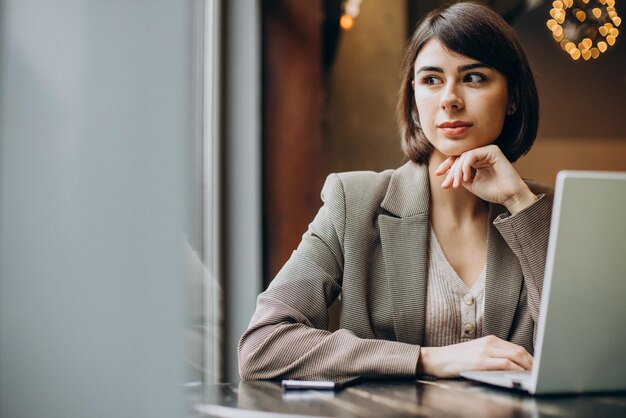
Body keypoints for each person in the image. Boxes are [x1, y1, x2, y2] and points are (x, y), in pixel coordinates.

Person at [238, 1, 552, 381]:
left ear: (513, 97)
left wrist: (519, 203)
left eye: (474, 77)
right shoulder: (353, 202)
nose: (450, 98)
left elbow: (580, 358)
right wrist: (428, 359)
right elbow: (262, 346)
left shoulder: (542, 212)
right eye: (431, 80)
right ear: (415, 103)